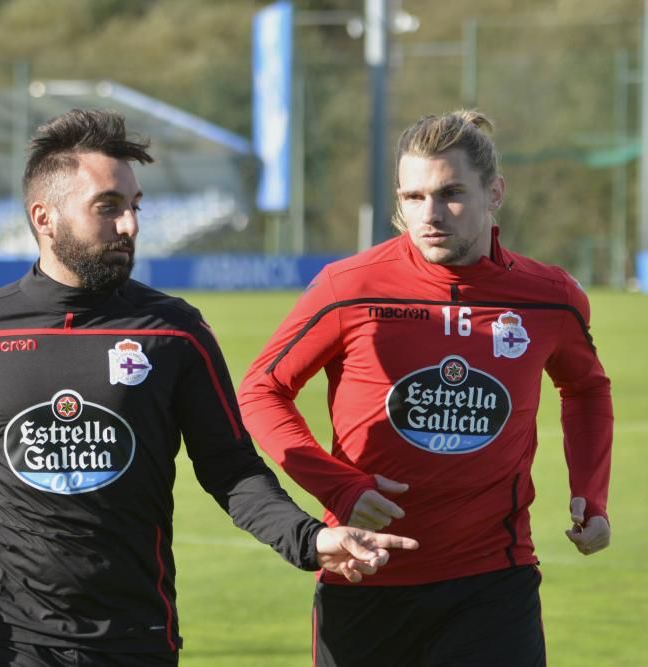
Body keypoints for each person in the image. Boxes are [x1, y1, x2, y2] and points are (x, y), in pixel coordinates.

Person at [0, 108, 418, 667]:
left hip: (135, 637)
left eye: (135, 206)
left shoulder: (175, 332)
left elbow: (232, 469)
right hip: (5, 639)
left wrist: (309, 539)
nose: (131, 226)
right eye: (108, 207)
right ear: (45, 217)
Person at [238, 109, 613, 666]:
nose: (430, 215)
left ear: (496, 193)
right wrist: (338, 487)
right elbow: (261, 390)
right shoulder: (350, 287)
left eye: (451, 194)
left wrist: (592, 492)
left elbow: (585, 389)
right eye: (413, 198)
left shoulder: (548, 297)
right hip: (365, 571)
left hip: (493, 578)